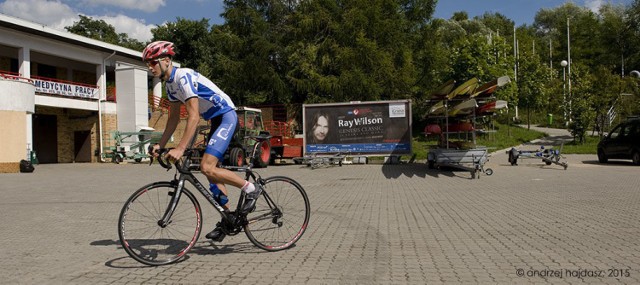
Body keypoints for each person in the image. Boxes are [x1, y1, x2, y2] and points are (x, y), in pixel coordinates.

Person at [143, 41, 261, 242]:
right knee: (211, 174)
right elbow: (172, 119)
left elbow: (194, 116)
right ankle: (229, 218)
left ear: (166, 60)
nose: (150, 67)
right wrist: (160, 145)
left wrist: (181, 148)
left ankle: (251, 189)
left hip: (226, 115)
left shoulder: (183, 77)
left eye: (152, 62)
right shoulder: (170, 86)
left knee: (207, 166)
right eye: (148, 63)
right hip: (214, 119)